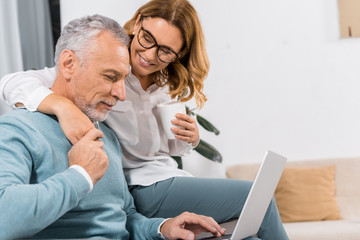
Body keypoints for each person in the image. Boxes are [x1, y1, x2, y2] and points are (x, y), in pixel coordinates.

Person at [0, 0, 289, 239]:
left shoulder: (109, 134)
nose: (121, 93)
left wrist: (162, 227)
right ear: (137, 23)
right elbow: (15, 82)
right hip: (145, 185)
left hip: (158, 186)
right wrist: (65, 114)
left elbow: (125, 215)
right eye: (111, 77)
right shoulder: (22, 128)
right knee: (253, 197)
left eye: (165, 51)